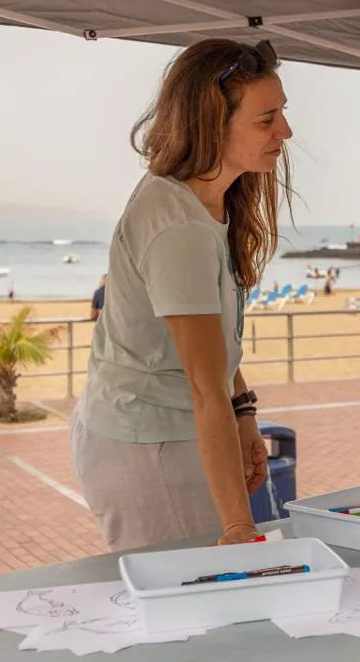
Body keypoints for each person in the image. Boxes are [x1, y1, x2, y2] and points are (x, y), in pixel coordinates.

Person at [71, 39, 293, 552]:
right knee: (193, 609)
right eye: (266, 120)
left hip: (174, 428)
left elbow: (215, 347)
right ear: (212, 124)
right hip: (150, 445)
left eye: (281, 113)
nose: (285, 131)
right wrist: (240, 527)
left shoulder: (209, 202)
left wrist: (245, 414)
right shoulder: (179, 227)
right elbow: (202, 386)